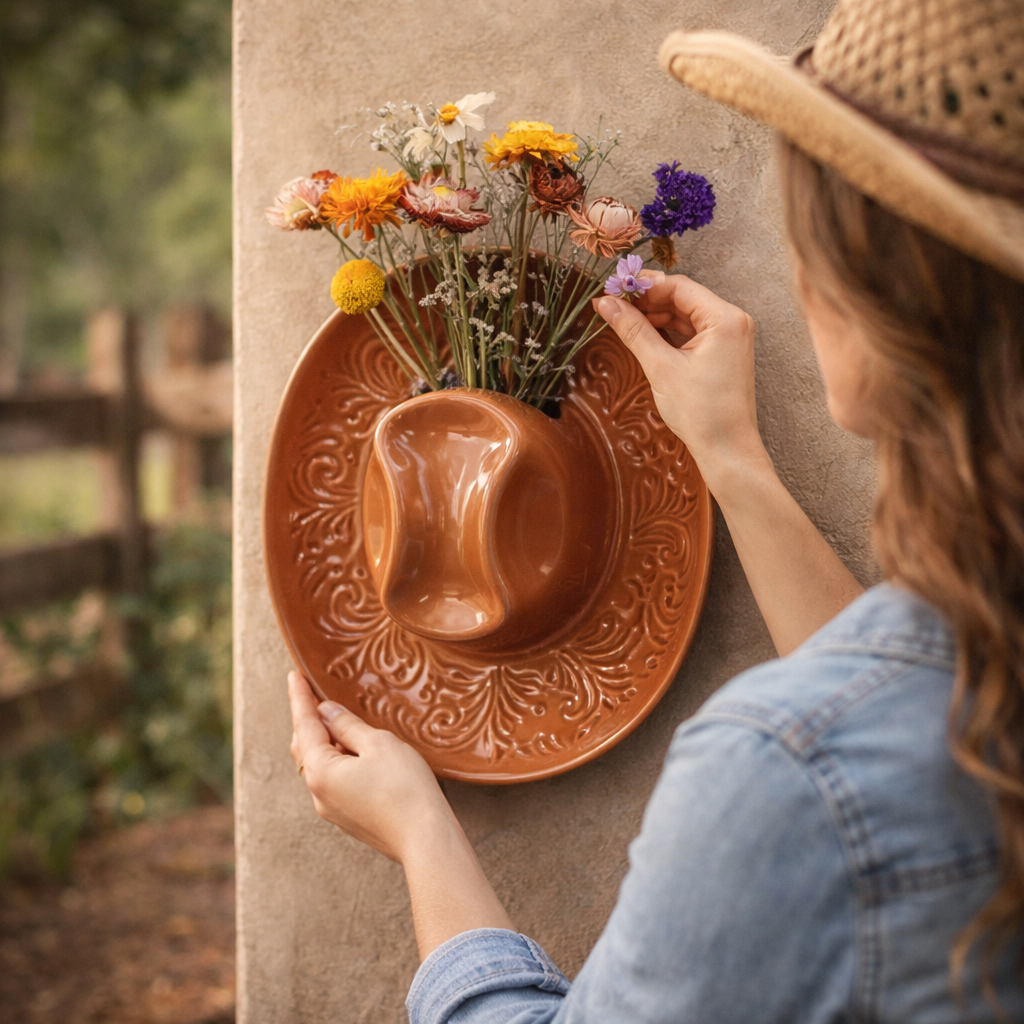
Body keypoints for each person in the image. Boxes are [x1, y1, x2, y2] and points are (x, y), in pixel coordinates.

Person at [287, 0, 1024, 1018]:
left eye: (804, 230)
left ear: (876, 294)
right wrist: (727, 455)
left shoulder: (781, 773)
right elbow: (904, 716)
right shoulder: (925, 700)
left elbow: (857, 756)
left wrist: (419, 832)